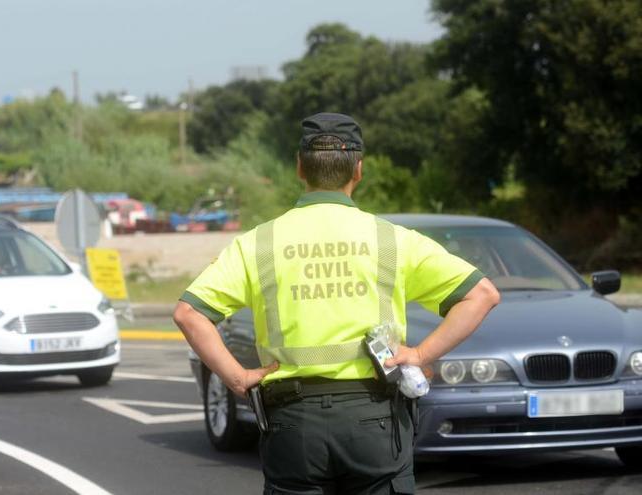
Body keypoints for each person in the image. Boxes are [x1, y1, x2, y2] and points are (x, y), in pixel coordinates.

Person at [173, 112, 500, 494]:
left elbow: (189, 312)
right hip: (374, 419)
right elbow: (481, 295)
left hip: (293, 423)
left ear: (300, 167)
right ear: (358, 170)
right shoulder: (392, 239)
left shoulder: (258, 243)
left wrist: (237, 377)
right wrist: (421, 354)